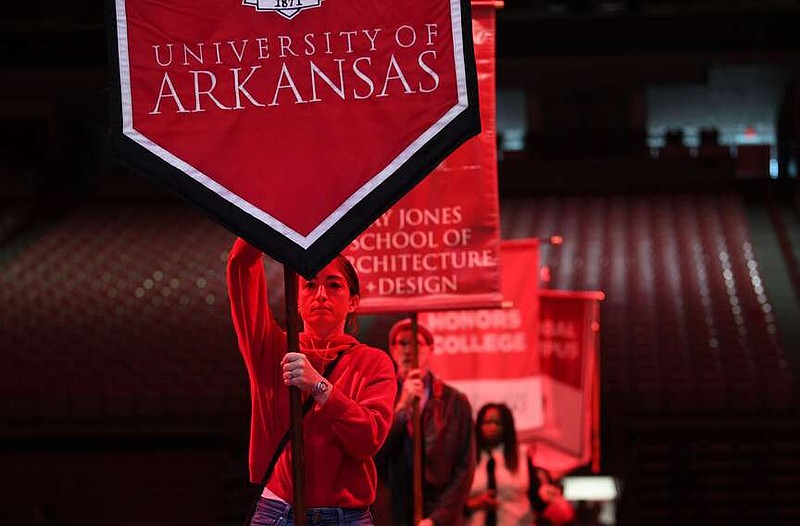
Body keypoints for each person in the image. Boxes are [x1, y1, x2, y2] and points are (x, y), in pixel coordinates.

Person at [227, 237, 397, 526]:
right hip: (277, 511)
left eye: (334, 285)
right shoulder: (270, 349)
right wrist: (266, 213)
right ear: (297, 298)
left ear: (353, 302)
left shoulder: (374, 362)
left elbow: (368, 439)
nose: (320, 294)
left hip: (347, 517)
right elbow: (242, 265)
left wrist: (320, 387)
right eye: (310, 284)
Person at [373, 318, 476, 526]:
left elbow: (465, 467)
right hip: (390, 513)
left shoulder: (455, 401)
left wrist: (437, 519)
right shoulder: (377, 394)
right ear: (392, 350)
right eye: (403, 343)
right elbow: (371, 453)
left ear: (430, 349)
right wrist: (401, 410)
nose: (409, 350)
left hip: (435, 513)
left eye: (417, 344)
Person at [465, 403, 574, 526]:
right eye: (487, 422)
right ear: (478, 425)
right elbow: (451, 502)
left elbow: (535, 499)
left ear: (507, 427)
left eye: (498, 423)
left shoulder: (522, 456)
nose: (492, 427)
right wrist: (473, 504)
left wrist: (545, 496)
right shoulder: (467, 459)